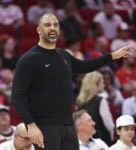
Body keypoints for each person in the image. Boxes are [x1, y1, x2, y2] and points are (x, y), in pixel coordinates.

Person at [11, 13, 132, 150]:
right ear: (39, 29)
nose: (52, 28)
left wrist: (113, 55)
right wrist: (31, 125)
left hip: (68, 124)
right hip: (45, 125)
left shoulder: (64, 55)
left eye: (55, 25)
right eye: (47, 25)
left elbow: (85, 66)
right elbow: (17, 96)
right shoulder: (28, 60)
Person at [77, 71, 114, 145]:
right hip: (102, 141)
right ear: (95, 84)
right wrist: (111, 138)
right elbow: (109, 125)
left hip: (86, 140)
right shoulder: (101, 100)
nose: (104, 85)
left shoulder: (79, 102)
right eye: (102, 83)